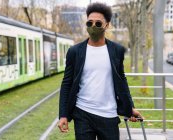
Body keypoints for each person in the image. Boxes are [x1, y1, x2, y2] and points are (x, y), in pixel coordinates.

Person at [58, 2, 143, 140]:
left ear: (107, 25)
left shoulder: (117, 50)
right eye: (89, 23)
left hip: (108, 115)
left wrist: (130, 108)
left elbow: (122, 81)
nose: (93, 27)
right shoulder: (74, 51)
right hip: (82, 113)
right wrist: (63, 115)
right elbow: (66, 83)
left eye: (98, 24)